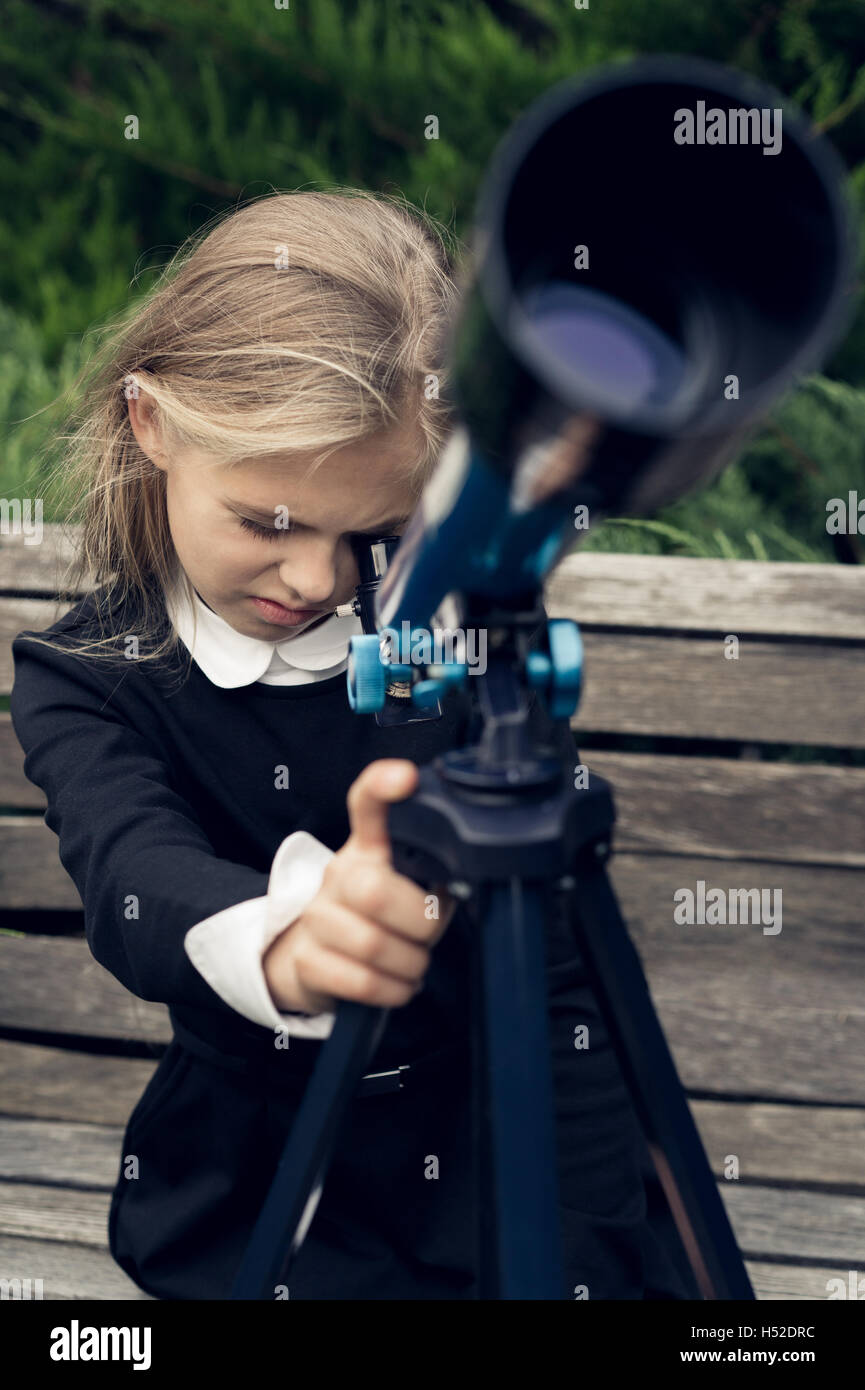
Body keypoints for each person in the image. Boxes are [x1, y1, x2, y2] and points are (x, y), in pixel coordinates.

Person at [10, 189, 694, 1301]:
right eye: (268, 522)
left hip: (488, 1154)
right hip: (246, 1179)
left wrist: (590, 1237)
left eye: (374, 535)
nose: (318, 582)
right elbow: (132, 871)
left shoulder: (460, 646)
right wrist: (286, 944)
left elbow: (566, 978)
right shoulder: (89, 679)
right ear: (152, 424)